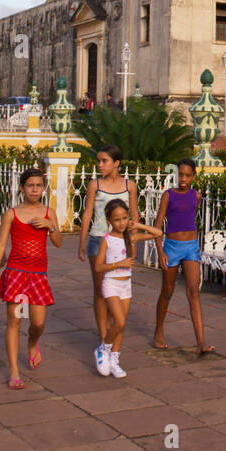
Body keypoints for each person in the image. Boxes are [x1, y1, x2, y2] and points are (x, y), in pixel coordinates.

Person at [0, 169, 62, 389]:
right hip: (16, 274)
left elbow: (58, 242)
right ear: (22, 187)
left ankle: (32, 343)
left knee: (38, 323)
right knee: (14, 322)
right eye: (30, 185)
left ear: (43, 188)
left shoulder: (48, 212)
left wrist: (51, 227)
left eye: (39, 185)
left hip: (38, 275)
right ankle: (13, 370)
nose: (34, 189)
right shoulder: (12, 213)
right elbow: (1, 243)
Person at [78, 146, 138, 376]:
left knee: (118, 290)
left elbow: (134, 215)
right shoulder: (95, 184)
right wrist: (82, 241)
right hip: (97, 240)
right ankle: (104, 336)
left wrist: (133, 243)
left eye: (104, 161)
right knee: (100, 289)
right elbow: (87, 213)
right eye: (99, 161)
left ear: (116, 163)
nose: (100, 165)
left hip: (121, 243)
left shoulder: (128, 186)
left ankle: (111, 336)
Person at [95, 199, 164, 378]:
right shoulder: (107, 240)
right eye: (117, 219)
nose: (122, 223)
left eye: (125, 218)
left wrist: (138, 224)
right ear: (109, 220)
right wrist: (119, 263)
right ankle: (103, 349)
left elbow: (158, 233)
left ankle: (114, 360)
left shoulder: (130, 237)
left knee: (121, 327)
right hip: (111, 283)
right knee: (120, 322)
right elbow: (98, 267)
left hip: (126, 285)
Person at [152, 159, 213, 354]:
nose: (183, 179)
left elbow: (191, 216)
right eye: (180, 175)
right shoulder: (168, 196)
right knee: (167, 291)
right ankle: (158, 331)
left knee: (193, 291)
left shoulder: (196, 195)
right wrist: (160, 251)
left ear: (194, 176)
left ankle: (201, 341)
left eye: (187, 175)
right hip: (171, 247)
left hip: (191, 248)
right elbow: (157, 225)